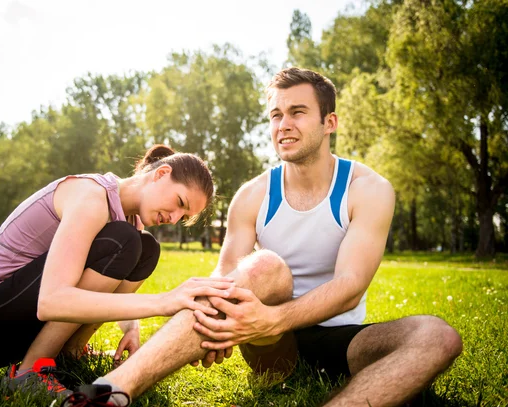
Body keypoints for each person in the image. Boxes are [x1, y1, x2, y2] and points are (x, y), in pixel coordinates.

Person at [60, 67, 463, 407]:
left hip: (341, 341)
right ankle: (113, 389)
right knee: (266, 266)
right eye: (276, 115)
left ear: (329, 123)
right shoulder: (253, 195)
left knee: (438, 336)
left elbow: (350, 287)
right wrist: (234, 326)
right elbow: (223, 283)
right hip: (269, 345)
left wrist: (272, 318)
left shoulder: (368, 188)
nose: (283, 124)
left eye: (298, 112)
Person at [0, 145, 234, 401]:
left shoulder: (128, 222)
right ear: (161, 174)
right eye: (180, 203)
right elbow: (51, 301)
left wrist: (131, 326)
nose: (173, 218)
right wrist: (164, 301)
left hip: (16, 321)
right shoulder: (92, 197)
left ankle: (70, 354)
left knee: (146, 247)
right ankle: (30, 372)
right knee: (125, 240)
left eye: (182, 218)